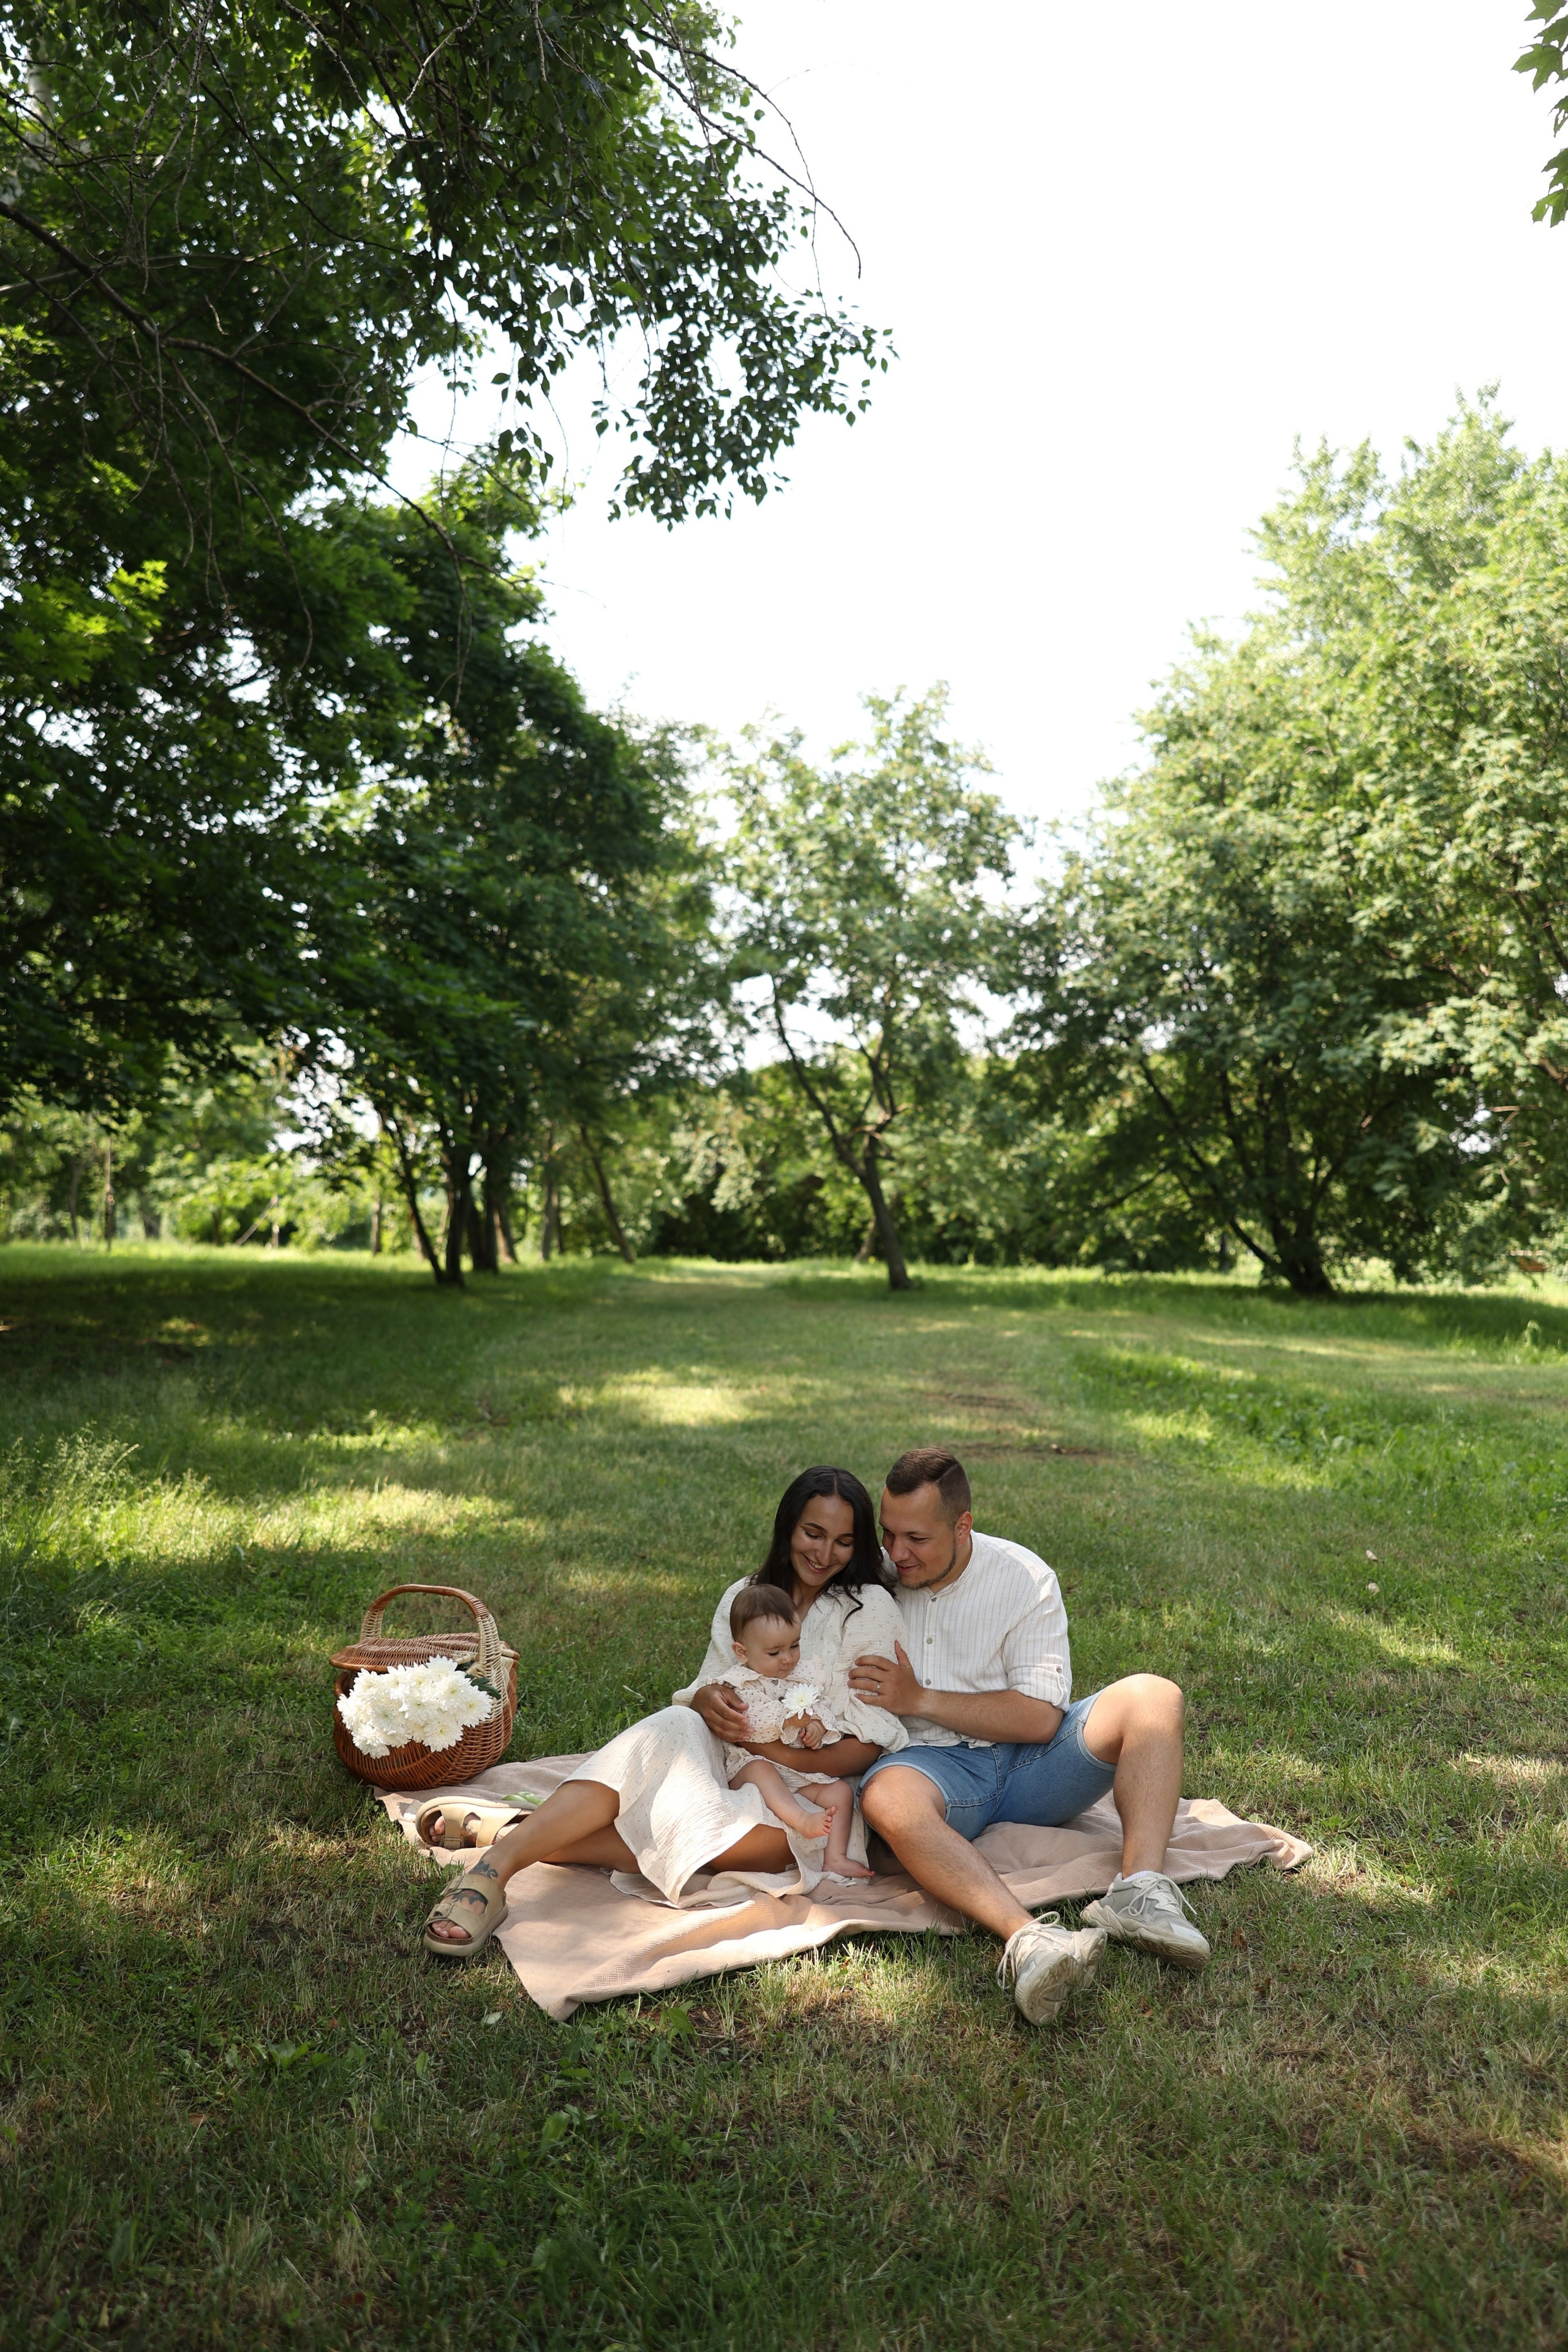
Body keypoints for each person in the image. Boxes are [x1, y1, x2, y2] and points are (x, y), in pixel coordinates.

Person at [421, 1466, 906, 1954]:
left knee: (713, 1841)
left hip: (812, 1804)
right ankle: (494, 1870)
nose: (824, 1554)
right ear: (788, 1528)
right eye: (813, 1533)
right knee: (673, 1724)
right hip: (724, 1765)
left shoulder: (868, 1608)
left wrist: (768, 1750)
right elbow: (702, 1697)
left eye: (843, 1541)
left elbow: (866, 1747)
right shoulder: (745, 1595)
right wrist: (707, 1701)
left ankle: (512, 1832)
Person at [835, 1446, 1209, 2026]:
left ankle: (1137, 1892)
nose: (896, 1553)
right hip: (929, 1769)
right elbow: (784, 1597)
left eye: (916, 1538)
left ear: (963, 1527)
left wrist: (919, 1698)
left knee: (1153, 1696)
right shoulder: (873, 1581)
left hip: (1032, 1764)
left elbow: (1040, 1717)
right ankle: (1033, 1942)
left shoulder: (1023, 1577)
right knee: (885, 1800)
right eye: (888, 1534)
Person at [719, 1583, 874, 1882]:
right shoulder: (738, 1683)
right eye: (775, 1652)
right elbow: (748, 1725)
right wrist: (787, 1720)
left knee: (840, 1792)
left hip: (797, 1773)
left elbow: (821, 1706)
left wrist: (817, 1727)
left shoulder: (803, 1673)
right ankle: (802, 1820)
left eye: (794, 1645)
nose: (788, 1658)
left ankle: (835, 1858)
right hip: (751, 1766)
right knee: (760, 1768)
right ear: (742, 1652)